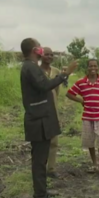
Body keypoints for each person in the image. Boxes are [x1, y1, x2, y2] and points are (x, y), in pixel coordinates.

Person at [20, 38, 77, 198]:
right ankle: (40, 197)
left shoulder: (30, 67)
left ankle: (42, 191)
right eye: (39, 47)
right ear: (35, 50)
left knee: (42, 159)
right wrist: (65, 74)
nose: (41, 50)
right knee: (39, 161)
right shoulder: (30, 67)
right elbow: (46, 85)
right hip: (39, 121)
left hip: (41, 119)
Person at [67, 59, 99, 175]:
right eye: (90, 66)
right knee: (89, 141)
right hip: (87, 116)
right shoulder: (81, 82)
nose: (93, 68)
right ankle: (94, 164)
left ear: (98, 68)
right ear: (87, 68)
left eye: (95, 66)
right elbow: (69, 93)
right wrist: (80, 100)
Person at [39, 47, 62, 179]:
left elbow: (56, 91)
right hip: (41, 109)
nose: (49, 57)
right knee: (42, 141)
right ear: (41, 56)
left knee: (54, 140)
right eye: (46, 54)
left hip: (53, 109)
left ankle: (51, 169)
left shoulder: (56, 71)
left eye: (51, 55)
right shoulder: (36, 71)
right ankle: (41, 167)